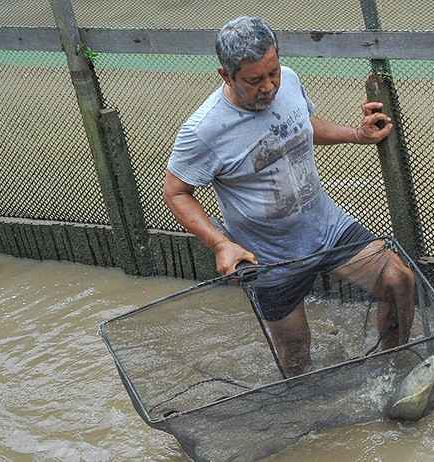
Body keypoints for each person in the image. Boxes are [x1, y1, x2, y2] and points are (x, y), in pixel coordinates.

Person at [162, 16, 415, 377]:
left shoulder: (290, 80)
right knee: (295, 352)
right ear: (226, 75)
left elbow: (304, 125)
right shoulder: (204, 130)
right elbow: (176, 192)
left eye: (273, 72)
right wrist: (220, 244)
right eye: (254, 80)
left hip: (326, 228)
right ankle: (304, 404)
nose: (269, 87)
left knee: (399, 280)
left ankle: (396, 371)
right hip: (269, 256)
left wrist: (356, 135)